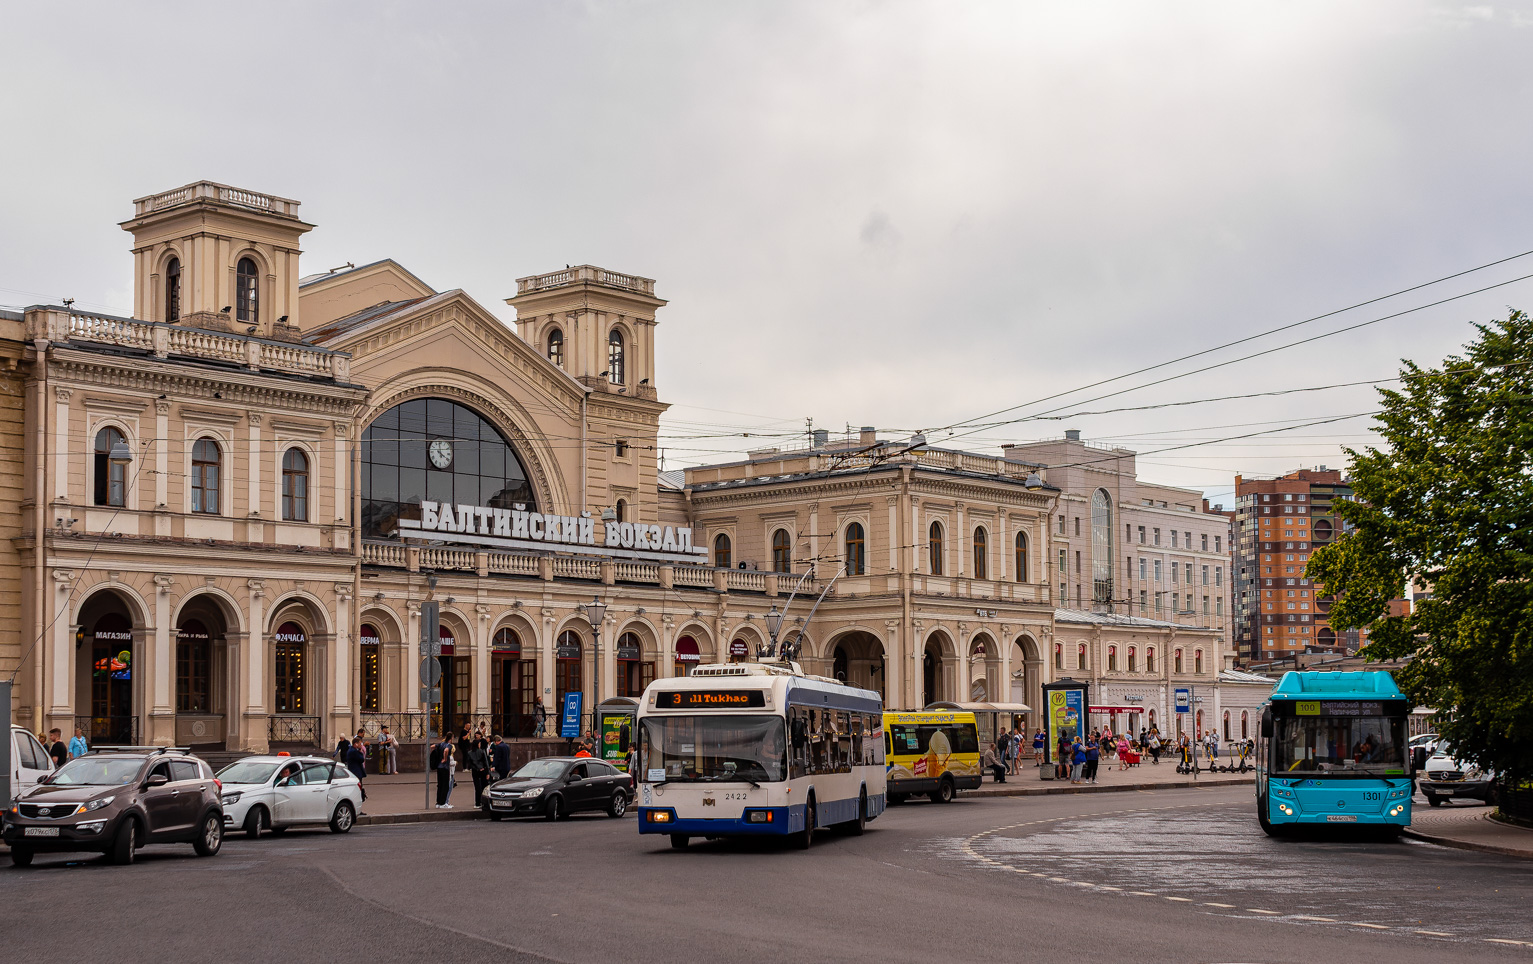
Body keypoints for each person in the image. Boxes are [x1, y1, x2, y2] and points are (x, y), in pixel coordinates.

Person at [432, 735, 456, 808]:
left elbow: (433, 746)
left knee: (440, 785)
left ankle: (438, 803)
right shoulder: (449, 745)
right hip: (445, 767)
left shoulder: (441, 744)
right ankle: (443, 803)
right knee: (445, 785)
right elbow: (446, 750)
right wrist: (445, 759)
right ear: (451, 738)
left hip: (439, 767)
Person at [467, 736, 491, 807]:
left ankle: (477, 803)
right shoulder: (482, 751)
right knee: (484, 786)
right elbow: (486, 762)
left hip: (475, 771)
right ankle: (484, 802)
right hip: (483, 770)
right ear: (478, 744)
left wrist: (476, 768)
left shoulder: (469, 753)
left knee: (477, 787)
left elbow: (469, 765)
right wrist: (487, 772)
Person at [345, 738, 368, 808]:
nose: (361, 745)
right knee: (358, 791)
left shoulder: (352, 750)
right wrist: (360, 751)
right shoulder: (353, 751)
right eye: (360, 743)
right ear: (356, 744)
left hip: (355, 772)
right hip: (356, 773)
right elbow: (361, 759)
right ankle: (358, 809)